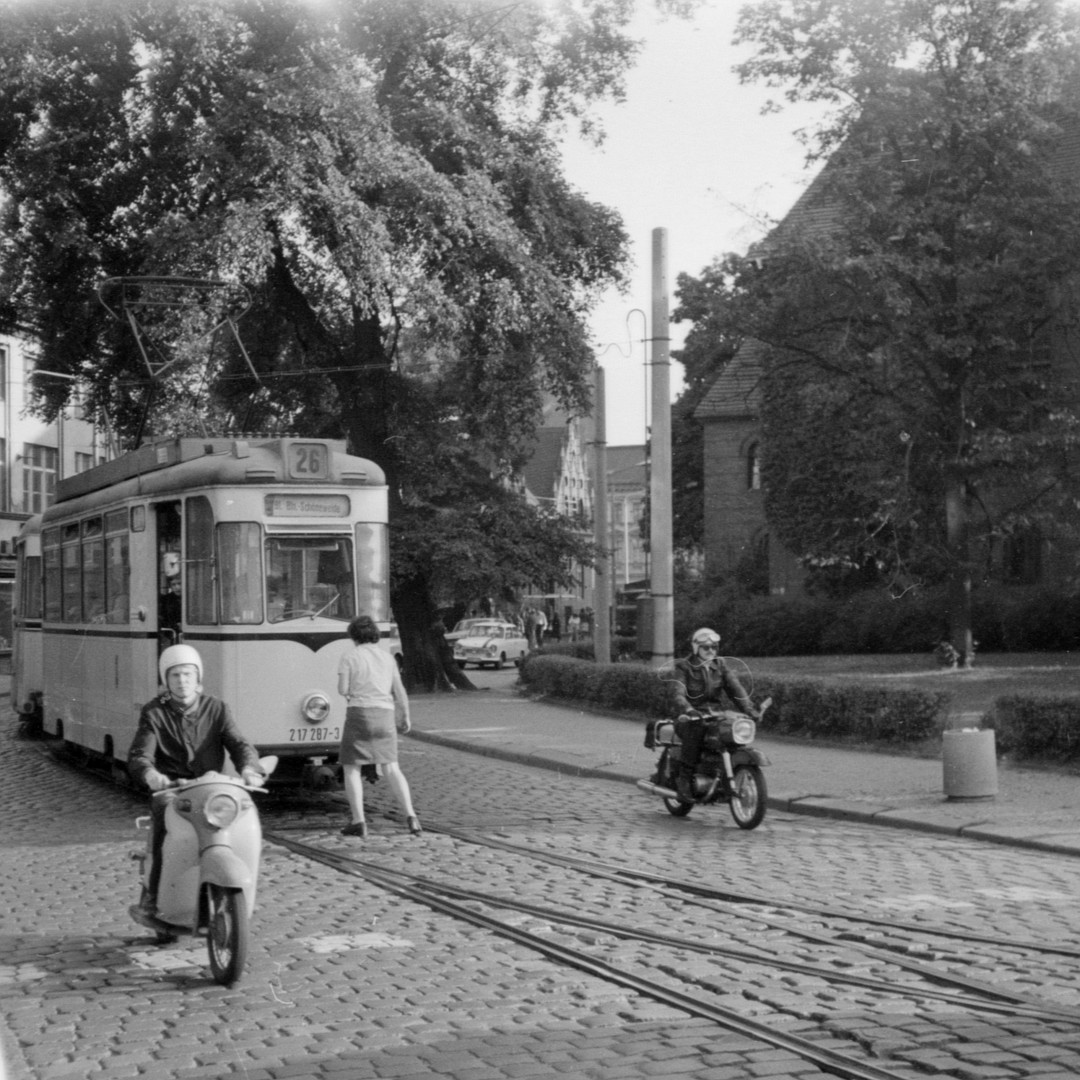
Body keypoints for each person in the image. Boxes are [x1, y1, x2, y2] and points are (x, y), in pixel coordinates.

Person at [128, 644, 266, 921]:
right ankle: (153, 895)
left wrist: (250, 768)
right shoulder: (154, 712)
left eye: (188, 674)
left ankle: (243, 883)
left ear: (198, 677)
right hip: (174, 791)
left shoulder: (217, 708)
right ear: (166, 680)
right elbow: (140, 753)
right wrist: (151, 774)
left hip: (212, 788)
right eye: (175, 675)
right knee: (162, 830)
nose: (182, 681)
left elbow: (238, 743)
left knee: (243, 818)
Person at [337, 614, 421, 838]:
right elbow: (400, 691)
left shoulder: (350, 657)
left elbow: (342, 689)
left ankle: (359, 821)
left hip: (359, 715)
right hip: (385, 714)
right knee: (391, 767)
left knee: (351, 767)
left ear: (354, 636)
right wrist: (406, 716)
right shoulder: (388, 658)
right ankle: (411, 817)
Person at [670, 628, 759, 802]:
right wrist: (688, 709)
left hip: (714, 715)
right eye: (706, 647)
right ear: (696, 648)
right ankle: (684, 781)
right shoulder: (684, 667)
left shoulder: (720, 665)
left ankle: (724, 776)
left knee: (731, 733)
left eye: (714, 647)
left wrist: (749, 709)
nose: (711, 651)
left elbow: (736, 689)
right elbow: (677, 693)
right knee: (696, 729)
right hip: (689, 717)